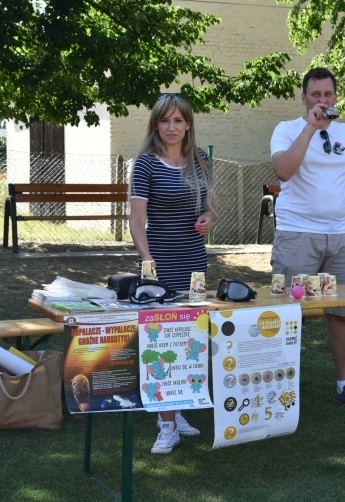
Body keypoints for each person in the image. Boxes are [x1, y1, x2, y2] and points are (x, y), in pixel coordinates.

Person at [270, 67, 345, 412]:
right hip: (297, 235)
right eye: (315, 95)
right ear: (304, 98)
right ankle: (278, 386)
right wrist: (311, 128)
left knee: (340, 312)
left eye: (328, 94)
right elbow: (283, 171)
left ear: (336, 97)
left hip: (339, 238)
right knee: (289, 312)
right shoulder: (287, 130)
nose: (322, 100)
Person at [129, 93, 217, 453]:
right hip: (159, 265)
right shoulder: (145, 164)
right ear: (155, 124)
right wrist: (148, 263)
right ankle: (168, 426)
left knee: (190, 342)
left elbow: (210, 209)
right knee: (161, 343)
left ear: (188, 124)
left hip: (194, 264)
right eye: (164, 120)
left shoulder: (201, 160)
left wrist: (209, 219)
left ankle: (175, 409)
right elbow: (136, 222)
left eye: (178, 120)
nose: (171, 127)